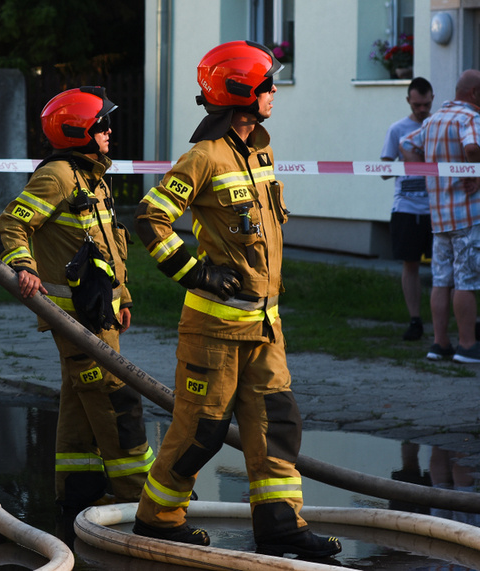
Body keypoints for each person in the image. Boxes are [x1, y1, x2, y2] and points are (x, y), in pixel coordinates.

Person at [130, 41, 342, 559]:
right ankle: (157, 520)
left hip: (265, 327)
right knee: (200, 432)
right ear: (242, 92)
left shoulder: (260, 150)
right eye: (267, 84)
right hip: (215, 331)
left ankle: (280, 525)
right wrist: (195, 271)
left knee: (277, 426)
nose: (274, 91)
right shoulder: (204, 156)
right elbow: (150, 218)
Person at [0, 87, 154, 519]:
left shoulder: (92, 178)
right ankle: (140, 495)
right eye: (102, 125)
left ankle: (77, 492)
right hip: (75, 319)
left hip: (99, 314)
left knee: (81, 400)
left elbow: (108, 248)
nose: (109, 132)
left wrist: (123, 298)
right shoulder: (59, 177)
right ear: (79, 130)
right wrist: (23, 266)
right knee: (114, 397)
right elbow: (11, 224)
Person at [401, 69, 480, 363]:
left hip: (439, 215)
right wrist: (477, 175)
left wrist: (427, 175)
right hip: (468, 213)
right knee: (466, 281)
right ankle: (468, 346)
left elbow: (406, 144)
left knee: (441, 280)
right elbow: (473, 147)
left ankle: (440, 343)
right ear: (474, 93)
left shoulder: (434, 120)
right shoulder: (470, 117)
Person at [380, 77, 435, 341]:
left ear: (432, 99)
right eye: (417, 105)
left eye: (426, 104)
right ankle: (415, 320)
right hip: (407, 207)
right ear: (408, 101)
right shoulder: (397, 129)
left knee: (446, 265)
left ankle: (447, 320)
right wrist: (409, 162)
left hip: (438, 207)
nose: (422, 110)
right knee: (410, 264)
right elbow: (383, 169)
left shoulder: (440, 126)